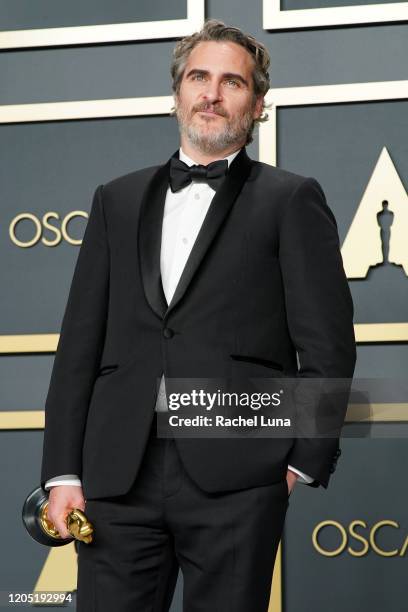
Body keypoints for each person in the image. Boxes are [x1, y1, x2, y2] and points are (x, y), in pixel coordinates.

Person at [41, 19, 356, 612]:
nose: (212, 93)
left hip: (240, 475)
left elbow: (329, 346)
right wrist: (63, 473)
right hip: (117, 478)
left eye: (232, 82)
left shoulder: (292, 199)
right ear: (178, 93)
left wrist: (297, 465)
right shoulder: (117, 198)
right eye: (199, 77)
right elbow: (78, 346)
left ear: (258, 104)